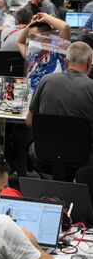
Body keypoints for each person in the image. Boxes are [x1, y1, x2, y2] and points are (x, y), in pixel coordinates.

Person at [27, 41, 93, 175]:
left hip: (44, 154)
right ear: (89, 62)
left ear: (66, 61)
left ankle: (51, 190)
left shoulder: (45, 80)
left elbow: (29, 121)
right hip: (83, 157)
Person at [17, 12, 71, 92]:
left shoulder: (57, 53)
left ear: (46, 38)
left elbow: (65, 27)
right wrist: (32, 23)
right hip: (30, 99)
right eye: (29, 37)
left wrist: (46, 17)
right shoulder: (34, 56)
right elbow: (20, 42)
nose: (30, 41)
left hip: (50, 99)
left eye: (33, 37)